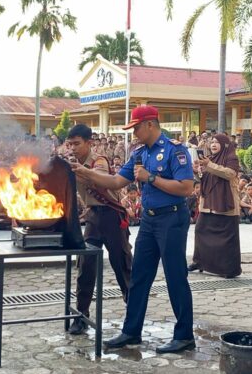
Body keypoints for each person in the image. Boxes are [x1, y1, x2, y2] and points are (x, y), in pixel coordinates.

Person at [72, 105, 196, 353]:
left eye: (136, 127)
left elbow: (186, 188)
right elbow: (117, 181)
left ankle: (184, 335)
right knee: (138, 277)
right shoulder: (139, 154)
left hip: (171, 220)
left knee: (174, 276)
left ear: (150, 124)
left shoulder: (175, 151)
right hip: (149, 222)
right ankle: (131, 331)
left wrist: (151, 178)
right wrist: (86, 173)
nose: (134, 133)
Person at [66, 124, 133, 335]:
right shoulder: (72, 163)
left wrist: (81, 171)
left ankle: (133, 315)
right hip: (94, 218)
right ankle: (81, 316)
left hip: (112, 217)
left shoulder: (99, 161)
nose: (73, 148)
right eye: (70, 144)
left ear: (89, 143)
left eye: (77, 144)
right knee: (86, 267)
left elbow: (101, 180)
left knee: (122, 266)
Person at [189, 134, 241, 278]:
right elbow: (205, 178)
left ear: (224, 145)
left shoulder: (231, 157)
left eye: (217, 142)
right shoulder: (209, 159)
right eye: (212, 142)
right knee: (200, 231)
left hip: (226, 203)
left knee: (227, 238)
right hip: (208, 203)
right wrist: (197, 171)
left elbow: (230, 174)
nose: (213, 144)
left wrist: (208, 165)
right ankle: (199, 262)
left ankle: (228, 269)